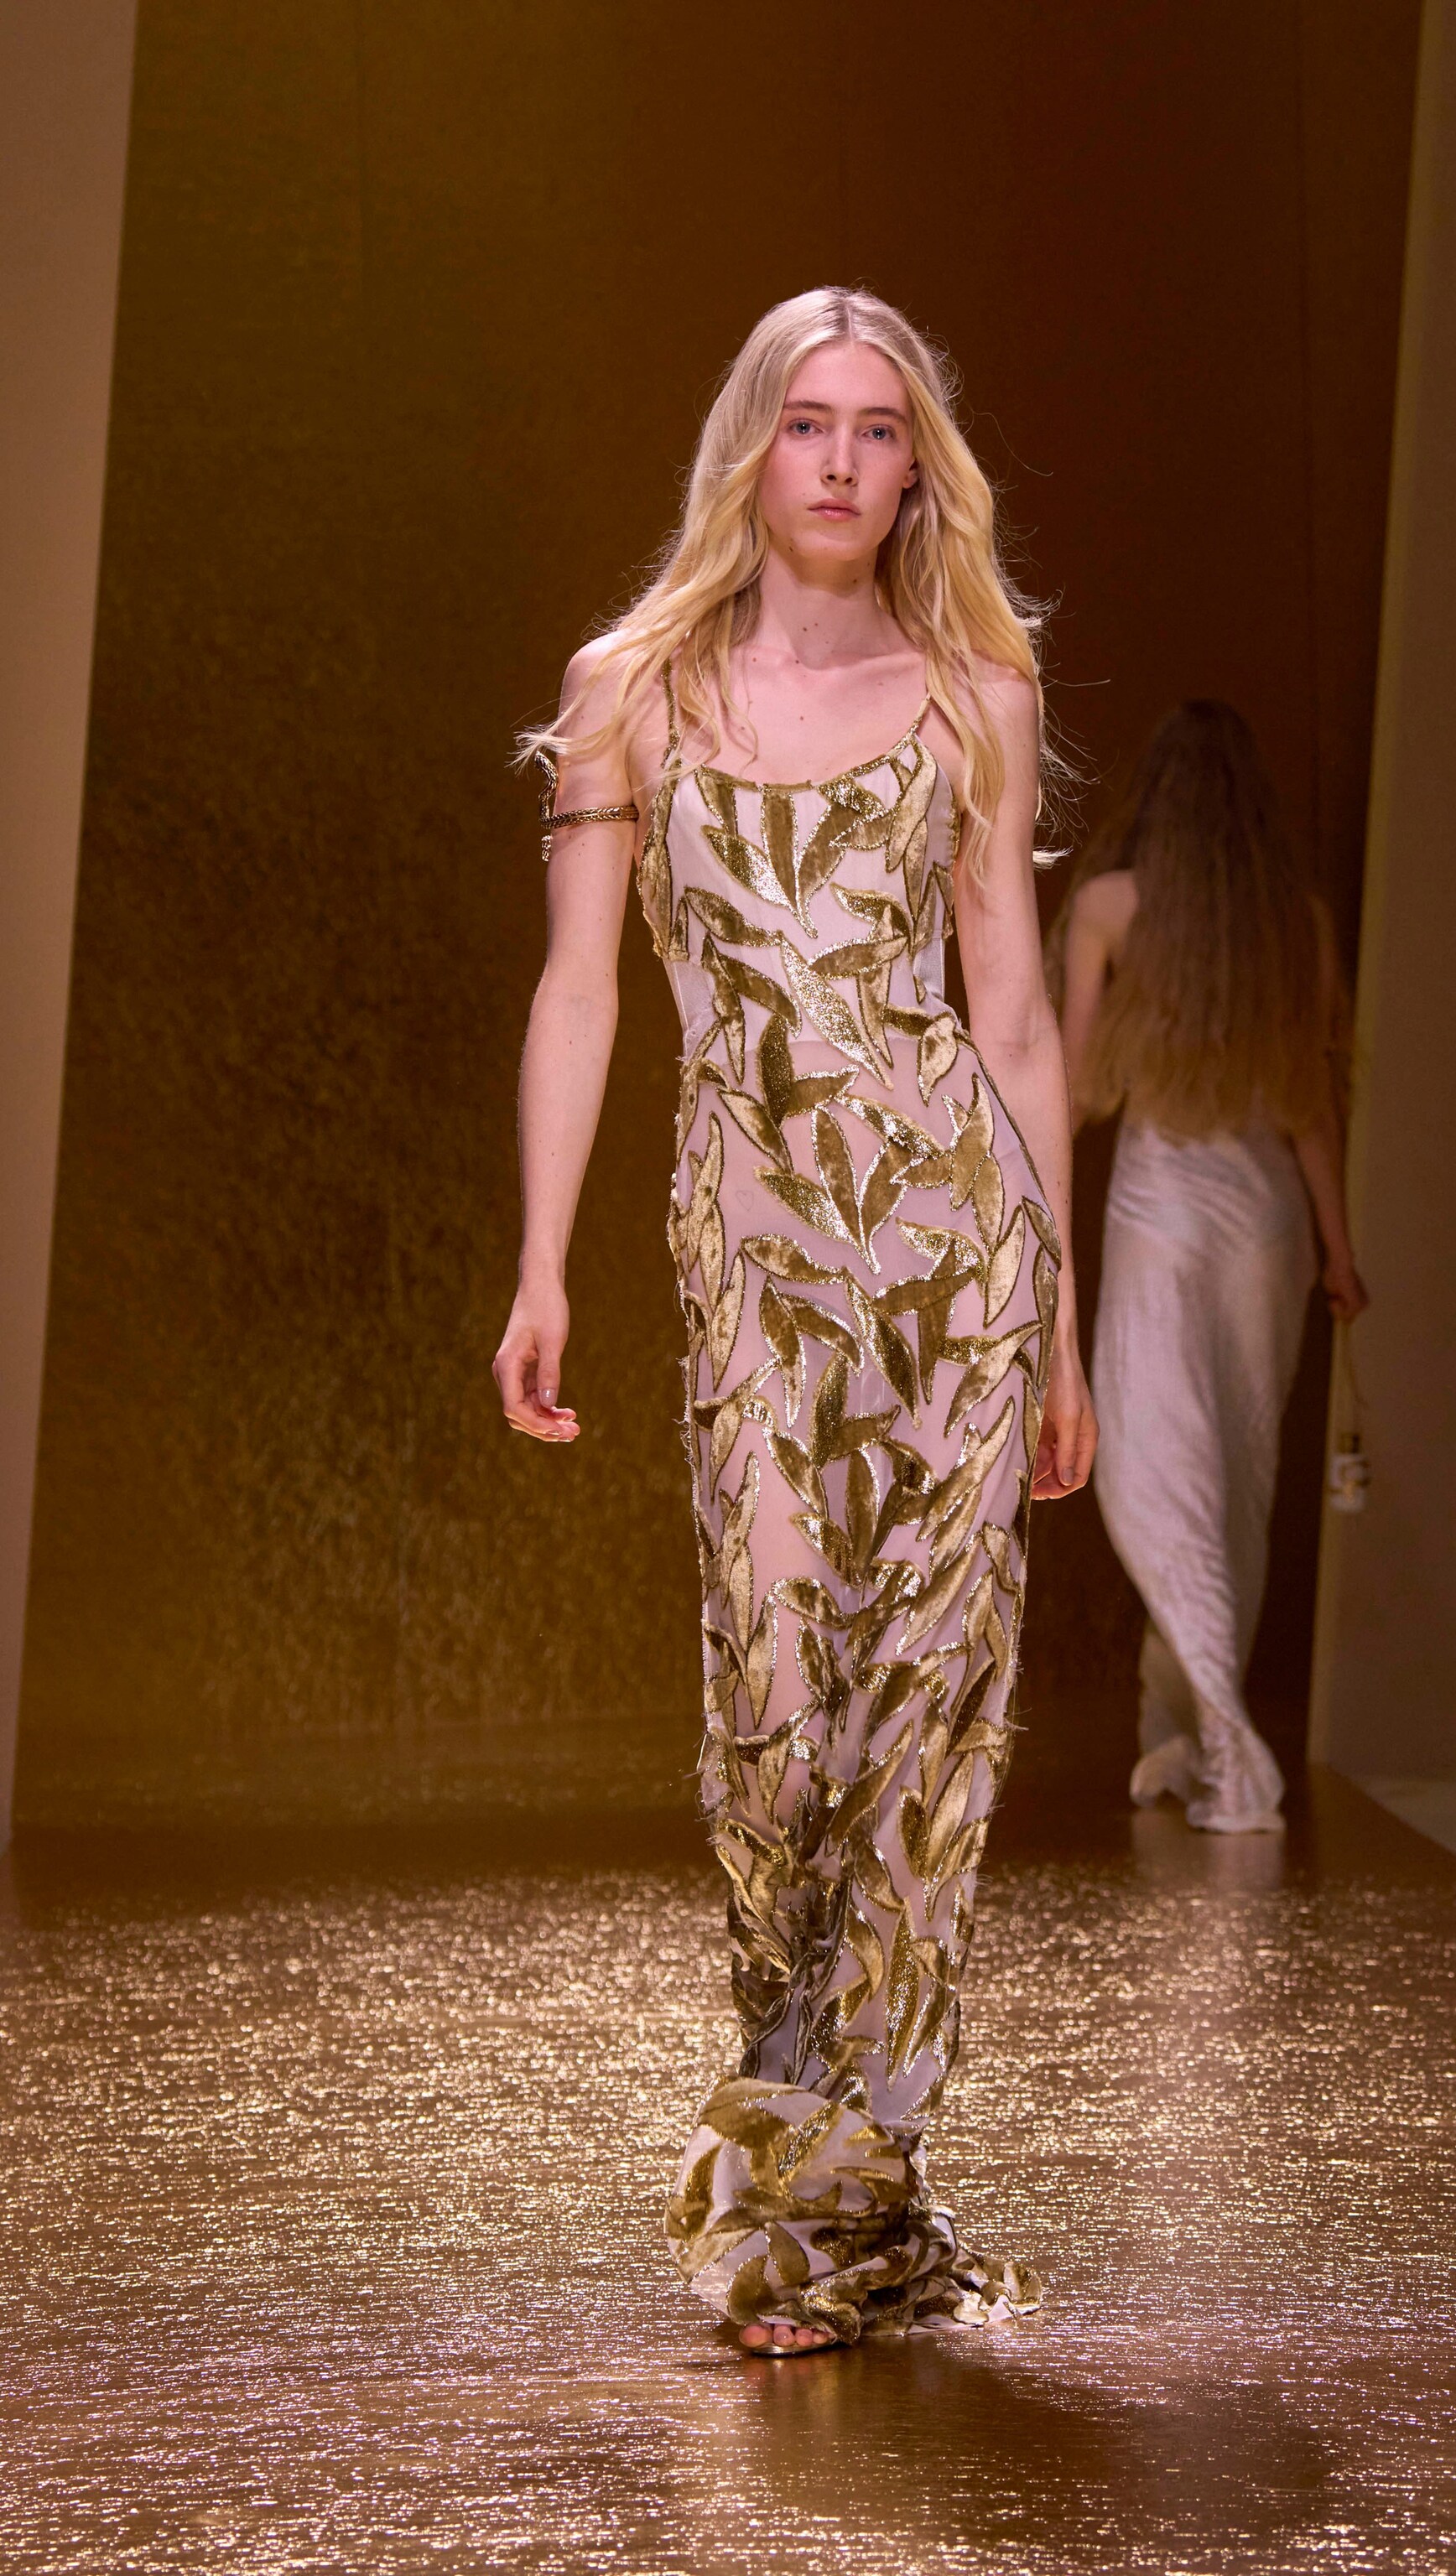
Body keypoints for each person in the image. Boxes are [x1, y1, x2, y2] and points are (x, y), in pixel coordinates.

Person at [493, 290, 1097, 2356]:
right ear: (747, 448)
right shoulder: (629, 692)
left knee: (923, 1726)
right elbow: (582, 988)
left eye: (879, 428)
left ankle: (828, 2209)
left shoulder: (976, 692)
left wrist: (1062, 1326)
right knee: (777, 1706)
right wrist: (544, 1262)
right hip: (750, 1266)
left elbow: (1013, 1017)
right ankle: (804, 2166)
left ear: (919, 468)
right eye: (807, 422)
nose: (841, 461)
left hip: (958, 1266)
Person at [1054, 702, 1365, 1835]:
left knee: (1158, 1465)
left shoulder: (1109, 908)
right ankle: (1187, 1732)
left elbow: (1072, 1090)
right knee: (1238, 1475)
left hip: (1162, 1218)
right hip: (1267, 1227)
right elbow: (1310, 1105)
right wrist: (1338, 1248)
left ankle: (1223, 1742)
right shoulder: (1296, 922)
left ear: (1161, 797)